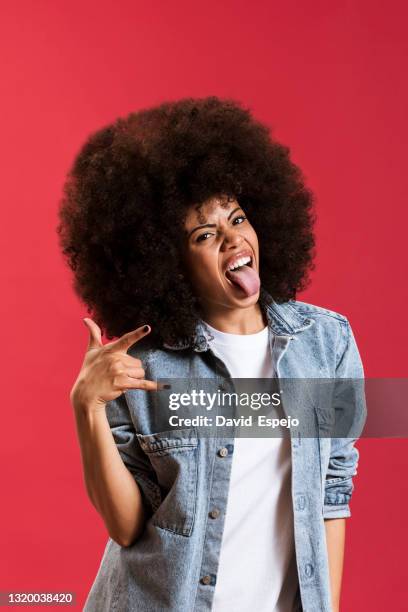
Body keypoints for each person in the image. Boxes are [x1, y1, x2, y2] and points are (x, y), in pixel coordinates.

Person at [57, 96, 366, 612]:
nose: (233, 240)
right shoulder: (145, 367)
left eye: (238, 218)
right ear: (170, 265)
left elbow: (332, 495)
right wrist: (86, 407)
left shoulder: (325, 343)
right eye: (205, 234)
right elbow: (127, 525)